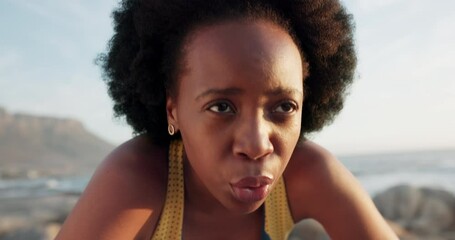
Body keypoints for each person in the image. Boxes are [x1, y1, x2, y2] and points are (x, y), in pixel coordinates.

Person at [57, 0, 398, 239]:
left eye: (283, 107)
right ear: (172, 109)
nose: (256, 145)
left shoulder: (307, 174)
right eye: (221, 107)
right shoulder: (134, 181)